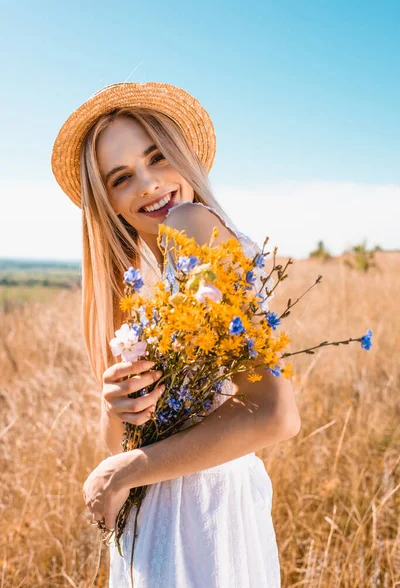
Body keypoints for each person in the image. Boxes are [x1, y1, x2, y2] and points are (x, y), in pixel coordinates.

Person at [51, 81, 301, 588]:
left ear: (186, 157)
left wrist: (120, 473)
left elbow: (275, 415)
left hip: (204, 513)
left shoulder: (192, 225)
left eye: (158, 157)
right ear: (110, 203)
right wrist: (117, 409)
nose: (147, 184)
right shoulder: (143, 278)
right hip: (159, 511)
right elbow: (120, 443)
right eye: (122, 178)